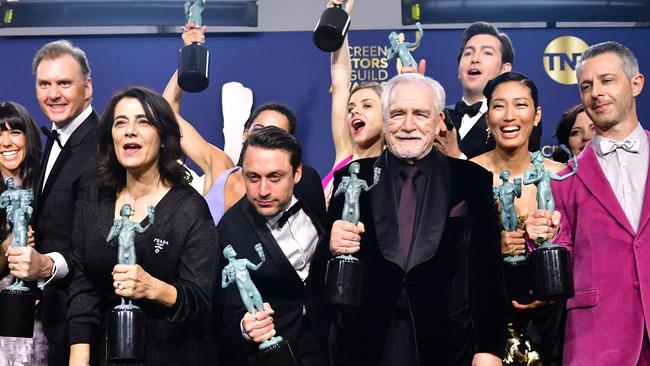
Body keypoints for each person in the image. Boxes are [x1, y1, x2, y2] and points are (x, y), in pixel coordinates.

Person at [328, 73, 506, 365]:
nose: (408, 125)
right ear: (385, 120)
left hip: (445, 346)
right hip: (364, 346)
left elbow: (487, 272)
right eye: (398, 114)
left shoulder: (472, 181)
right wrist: (331, 245)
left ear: (438, 121)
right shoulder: (351, 177)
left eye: (420, 114)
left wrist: (490, 347)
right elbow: (324, 271)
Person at [67, 87, 219, 365]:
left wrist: (153, 288)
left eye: (143, 122)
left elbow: (200, 301)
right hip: (105, 354)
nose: (129, 131)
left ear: (163, 138)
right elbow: (82, 281)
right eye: (120, 122)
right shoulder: (94, 197)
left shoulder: (189, 208)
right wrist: (79, 354)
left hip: (173, 354)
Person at [525, 41, 649, 366]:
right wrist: (540, 238)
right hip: (597, 340)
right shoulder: (564, 178)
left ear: (636, 84)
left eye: (607, 80)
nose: (596, 92)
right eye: (586, 85)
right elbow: (554, 262)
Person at [163, 23, 323, 224]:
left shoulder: (294, 196)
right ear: (245, 134)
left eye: (276, 133)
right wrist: (189, 56)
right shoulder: (220, 167)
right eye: (258, 130)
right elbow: (166, 113)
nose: (265, 139)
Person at [4, 40, 97, 365]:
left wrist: (46, 266)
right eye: (45, 84)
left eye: (63, 83)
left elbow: (95, 242)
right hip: (51, 318)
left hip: (84, 329)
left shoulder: (100, 148)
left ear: (87, 87)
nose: (53, 93)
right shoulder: (55, 139)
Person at [470, 71, 566, 365]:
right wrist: (489, 245)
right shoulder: (466, 177)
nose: (509, 116)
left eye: (521, 105)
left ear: (536, 115)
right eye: (499, 106)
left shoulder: (562, 176)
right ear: (488, 117)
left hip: (553, 329)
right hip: (485, 329)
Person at [216, 126, 329, 366]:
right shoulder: (229, 230)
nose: (263, 191)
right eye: (253, 177)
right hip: (277, 353)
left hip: (327, 338)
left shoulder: (310, 184)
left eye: (275, 177)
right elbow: (226, 308)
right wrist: (245, 327)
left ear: (296, 173)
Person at [436, 21, 542, 160]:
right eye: (468, 53)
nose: (474, 59)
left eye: (487, 53)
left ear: (505, 69)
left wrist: (455, 155)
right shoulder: (440, 117)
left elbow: (518, 174)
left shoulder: (517, 118)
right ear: (458, 70)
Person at [324, 0, 384, 206]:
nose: (355, 112)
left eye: (367, 106)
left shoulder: (393, 169)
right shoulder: (345, 152)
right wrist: (341, 17)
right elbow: (340, 80)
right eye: (351, 108)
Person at [0, 101, 47, 365]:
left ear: (28, 136)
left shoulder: (45, 191)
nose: (6, 142)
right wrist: (7, 247)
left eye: (14, 132)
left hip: (39, 327)